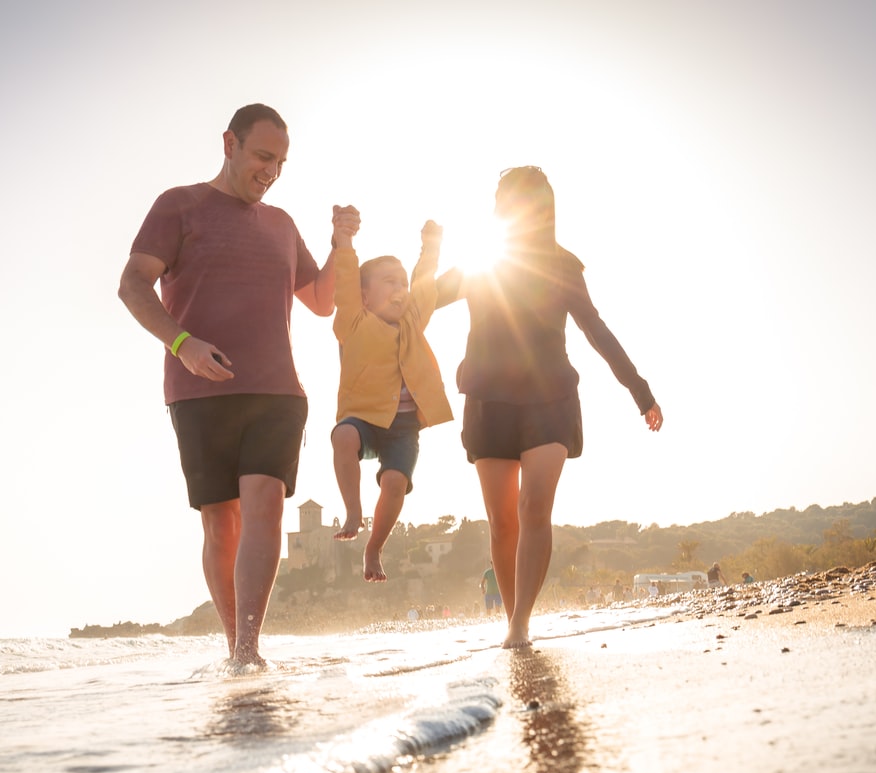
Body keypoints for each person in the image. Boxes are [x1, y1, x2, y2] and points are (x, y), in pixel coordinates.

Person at [118, 103, 360, 667]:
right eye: (262, 156)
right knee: (220, 523)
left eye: (280, 162)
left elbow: (322, 302)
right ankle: (234, 645)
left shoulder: (281, 225)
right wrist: (183, 344)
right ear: (229, 143)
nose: (271, 171)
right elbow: (132, 285)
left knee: (266, 504)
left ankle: (249, 650)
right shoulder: (179, 205)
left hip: (278, 391)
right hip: (198, 389)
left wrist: (341, 243)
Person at [435, 166, 663, 648]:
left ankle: (520, 625)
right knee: (502, 522)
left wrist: (639, 390)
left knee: (534, 506)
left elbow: (596, 332)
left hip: (550, 400)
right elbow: (423, 300)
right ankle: (513, 617)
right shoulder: (481, 263)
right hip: (488, 401)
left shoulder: (563, 266)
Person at [329, 216, 452, 582]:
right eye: (390, 282)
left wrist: (430, 247)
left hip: (403, 427)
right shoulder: (353, 320)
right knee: (342, 437)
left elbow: (426, 285)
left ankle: (374, 548)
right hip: (363, 418)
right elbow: (345, 284)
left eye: (402, 282)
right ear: (365, 296)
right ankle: (354, 512)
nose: (401, 288)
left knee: (396, 482)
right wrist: (344, 241)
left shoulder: (413, 320)